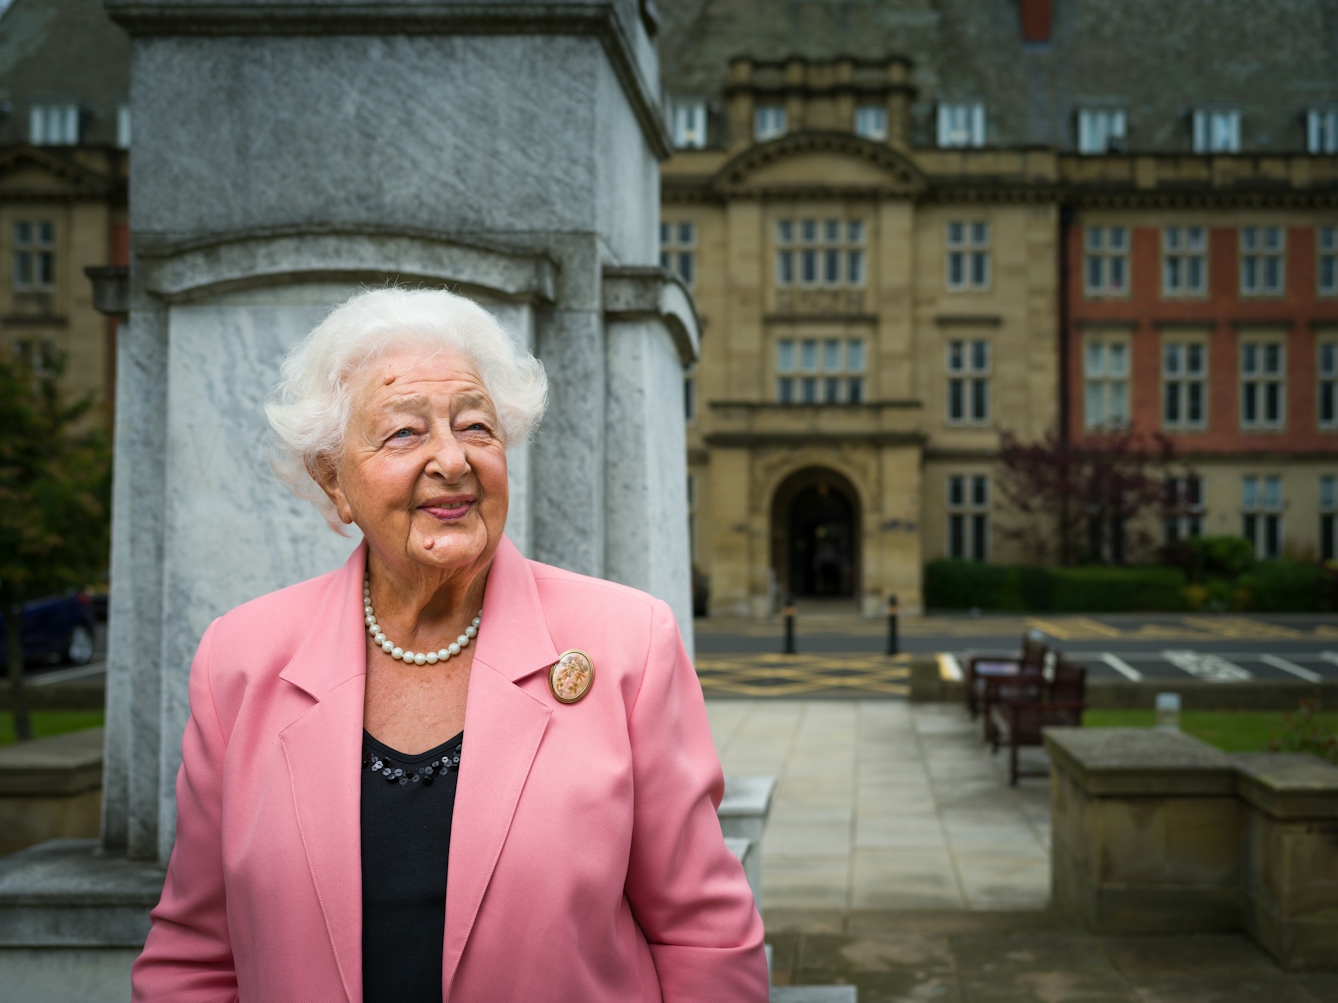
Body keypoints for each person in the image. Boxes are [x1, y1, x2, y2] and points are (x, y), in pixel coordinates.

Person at [131, 287, 769, 1002]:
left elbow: (706, 939)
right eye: (404, 433)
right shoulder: (241, 660)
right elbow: (193, 956)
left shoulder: (627, 644)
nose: (452, 460)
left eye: (475, 426)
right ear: (334, 481)